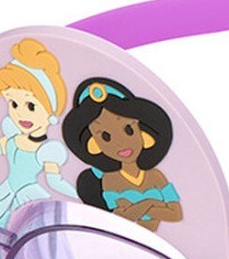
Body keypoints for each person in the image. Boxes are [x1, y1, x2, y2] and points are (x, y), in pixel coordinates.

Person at [0, 38, 76, 228]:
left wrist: (81, 196)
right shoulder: (13, 140)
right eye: (14, 104)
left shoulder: (47, 150)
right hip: (5, 193)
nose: (21, 113)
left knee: (30, 231)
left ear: (50, 111)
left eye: (31, 106)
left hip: (29, 197)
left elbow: (55, 182)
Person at [62, 78, 182, 233]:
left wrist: (137, 207)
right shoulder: (109, 180)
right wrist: (151, 203)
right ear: (94, 146)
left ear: (143, 133)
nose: (120, 143)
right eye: (105, 137)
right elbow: (119, 217)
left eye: (128, 130)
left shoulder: (155, 176)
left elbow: (176, 214)